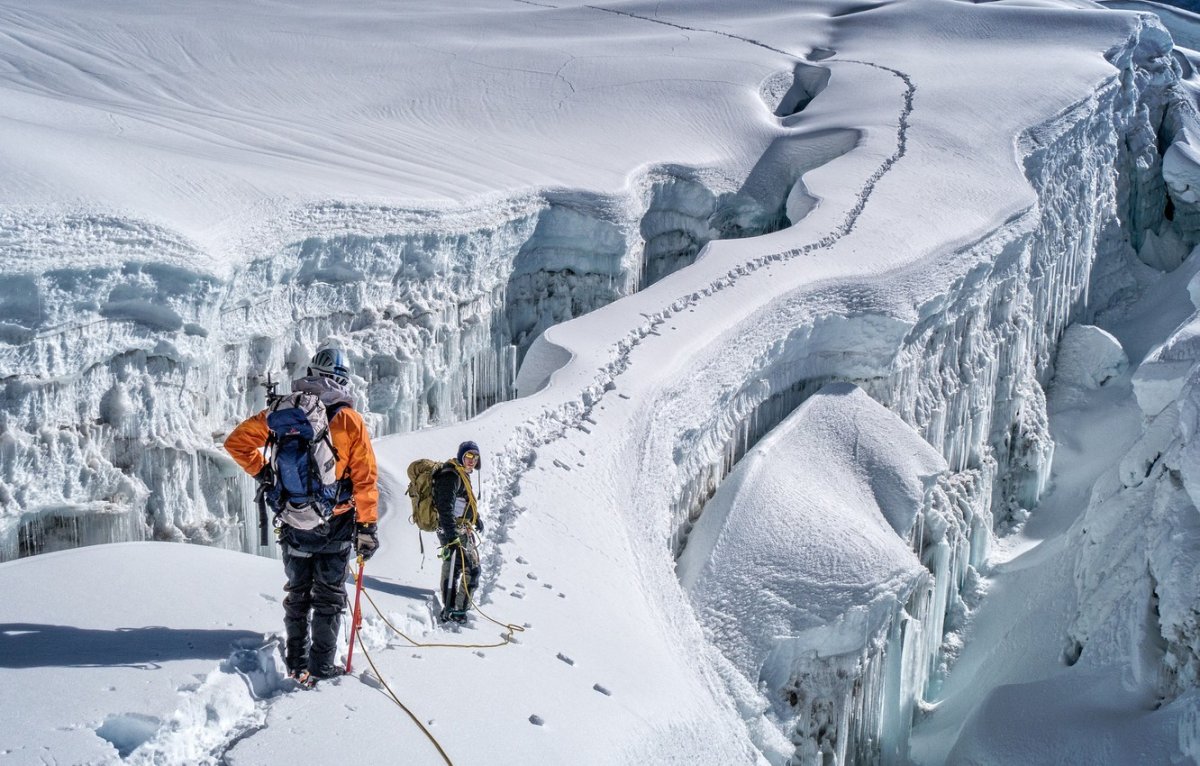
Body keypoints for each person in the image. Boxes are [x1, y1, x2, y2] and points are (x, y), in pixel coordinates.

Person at [224, 346, 380, 682]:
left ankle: (296, 662)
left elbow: (236, 443)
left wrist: (266, 475)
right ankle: (321, 666)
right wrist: (366, 527)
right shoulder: (349, 419)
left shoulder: (282, 411)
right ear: (341, 378)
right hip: (335, 520)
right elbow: (366, 479)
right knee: (328, 596)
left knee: (298, 593)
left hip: (293, 517)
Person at [434, 440, 483, 624]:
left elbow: (462, 502)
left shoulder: (461, 474)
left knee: (454, 567)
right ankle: (458, 610)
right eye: (469, 455)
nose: (472, 460)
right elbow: (444, 507)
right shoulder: (451, 476)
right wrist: (452, 535)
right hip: (453, 529)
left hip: (458, 528)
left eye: (475, 456)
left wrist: (475, 518)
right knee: (472, 569)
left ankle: (451, 607)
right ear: (462, 456)